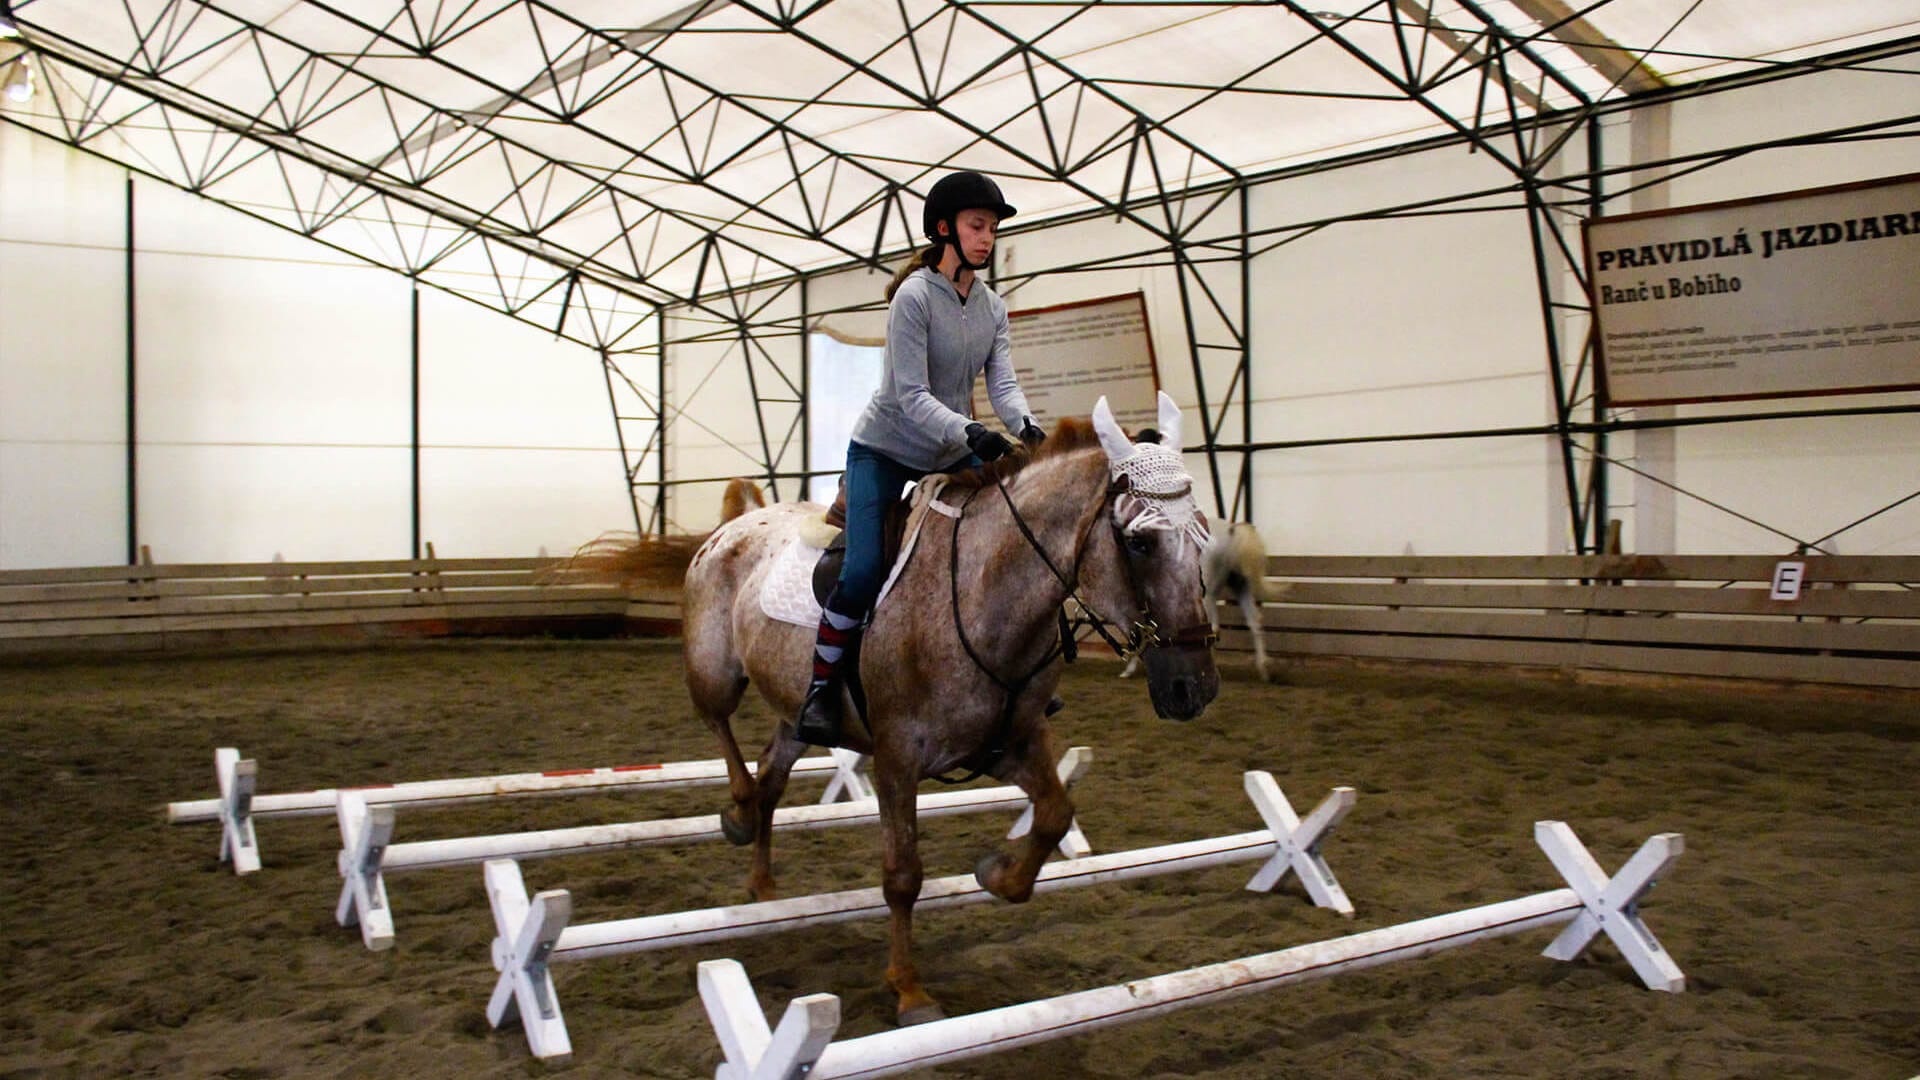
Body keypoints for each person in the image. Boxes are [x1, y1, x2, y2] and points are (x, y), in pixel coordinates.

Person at [797, 171, 1044, 748]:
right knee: (859, 572)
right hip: (885, 449)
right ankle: (821, 688)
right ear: (944, 230)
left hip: (951, 443)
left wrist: (1025, 425)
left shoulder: (992, 307)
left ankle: (1012, 675)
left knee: (1011, 533)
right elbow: (911, 397)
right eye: (977, 227)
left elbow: (1002, 382)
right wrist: (971, 432)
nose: (987, 238)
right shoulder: (912, 299)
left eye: (992, 229)